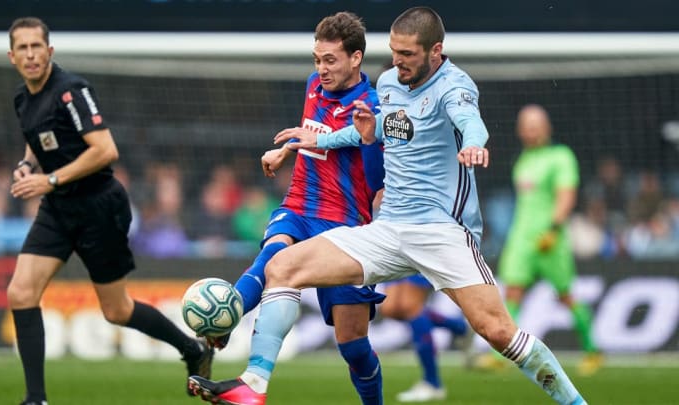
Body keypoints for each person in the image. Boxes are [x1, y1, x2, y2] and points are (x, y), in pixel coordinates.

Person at [192, 7, 588, 405]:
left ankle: (575, 402)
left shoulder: (455, 85)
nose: (397, 62)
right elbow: (379, 126)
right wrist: (322, 140)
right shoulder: (389, 84)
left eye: (408, 54)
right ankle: (254, 385)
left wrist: (473, 143)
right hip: (388, 229)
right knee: (281, 267)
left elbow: (470, 120)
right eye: (394, 52)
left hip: (441, 233)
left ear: (436, 51)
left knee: (498, 331)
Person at [5, 17, 211, 405]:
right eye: (23, 48)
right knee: (20, 292)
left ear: (49, 51)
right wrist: (28, 165)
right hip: (58, 208)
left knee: (116, 311)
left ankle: (192, 349)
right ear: (12, 56)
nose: (31, 54)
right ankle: (36, 399)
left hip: (99, 206)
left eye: (37, 47)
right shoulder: (22, 98)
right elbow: (37, 141)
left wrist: (48, 180)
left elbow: (105, 151)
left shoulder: (71, 91)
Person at [189, 11, 387, 405]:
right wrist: (285, 151)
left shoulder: (371, 107)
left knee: (352, 345)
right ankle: (229, 330)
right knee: (273, 255)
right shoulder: (314, 85)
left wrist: (361, 140)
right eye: (317, 59)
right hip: (300, 203)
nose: (322, 68)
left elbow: (377, 180)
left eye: (330, 60)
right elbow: (312, 137)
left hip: (345, 225)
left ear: (356, 58)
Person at [481, 104, 603, 376]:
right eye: (525, 125)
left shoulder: (561, 157)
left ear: (547, 127)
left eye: (535, 124)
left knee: (566, 295)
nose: (530, 130)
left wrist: (553, 227)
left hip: (550, 237)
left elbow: (566, 195)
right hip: (521, 237)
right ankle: (499, 355)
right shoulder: (522, 160)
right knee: (512, 292)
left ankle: (593, 351)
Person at [379, 275, 473, 402]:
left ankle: (432, 382)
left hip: (417, 255)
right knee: (390, 308)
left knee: (410, 306)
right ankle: (460, 327)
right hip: (393, 254)